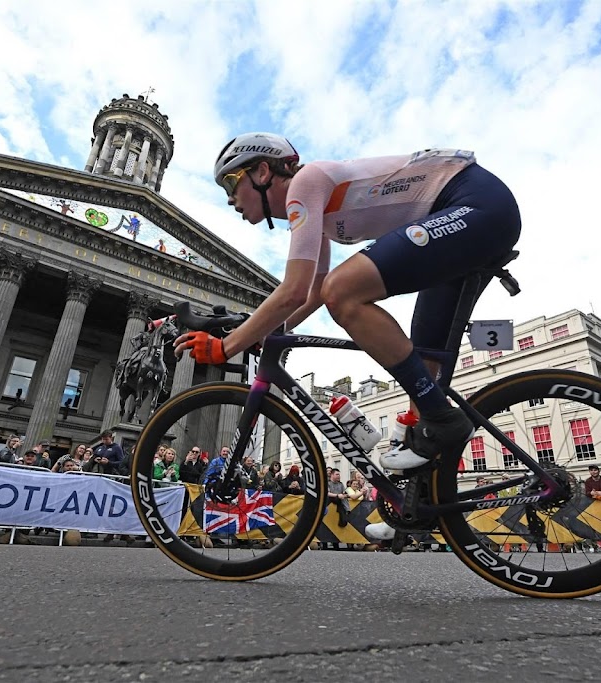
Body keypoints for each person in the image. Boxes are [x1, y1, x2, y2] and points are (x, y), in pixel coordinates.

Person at [174, 133, 520, 541]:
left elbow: (295, 289)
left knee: (346, 290)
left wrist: (226, 346)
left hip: (472, 203)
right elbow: (311, 291)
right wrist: (264, 332)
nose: (230, 199)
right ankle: (420, 505)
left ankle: (444, 421)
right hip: (465, 217)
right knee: (421, 365)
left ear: (263, 172)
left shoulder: (305, 184)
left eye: (232, 184)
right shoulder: (316, 213)